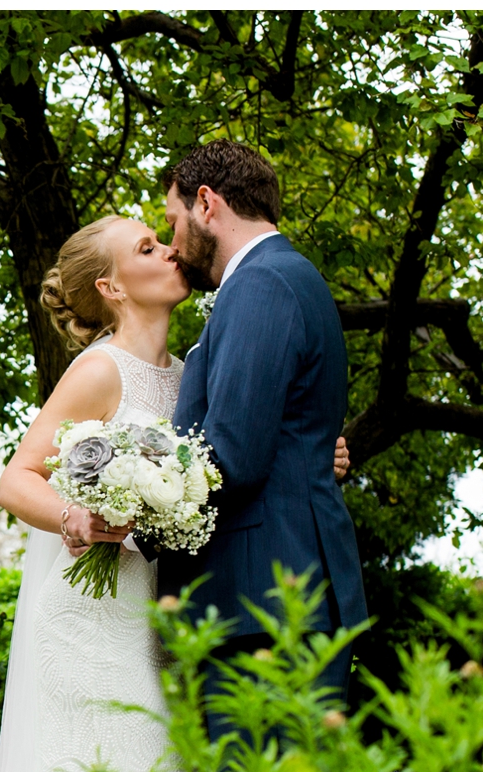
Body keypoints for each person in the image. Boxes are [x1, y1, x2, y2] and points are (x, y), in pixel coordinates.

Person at [0, 212, 349, 772]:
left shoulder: (188, 375)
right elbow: (17, 479)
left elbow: (232, 453)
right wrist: (75, 519)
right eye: (147, 247)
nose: (171, 249)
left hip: (150, 615)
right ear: (113, 287)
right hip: (86, 619)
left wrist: (316, 454)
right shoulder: (97, 370)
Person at [133, 139, 366, 741]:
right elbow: (284, 431)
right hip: (275, 593)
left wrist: (129, 519)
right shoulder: (284, 277)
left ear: (206, 204)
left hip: (264, 598)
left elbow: (231, 455)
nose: (174, 245)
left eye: (174, 223)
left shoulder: (259, 284)